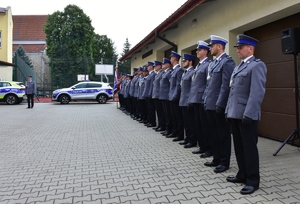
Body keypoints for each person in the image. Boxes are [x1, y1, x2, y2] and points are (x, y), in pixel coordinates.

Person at [225, 34, 267, 195]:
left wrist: (249, 114)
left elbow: (257, 93)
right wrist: (228, 110)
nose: (238, 51)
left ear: (250, 48)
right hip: (235, 114)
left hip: (246, 116)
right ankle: (242, 174)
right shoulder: (237, 67)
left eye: (240, 47)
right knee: (239, 148)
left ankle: (252, 181)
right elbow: (232, 92)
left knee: (249, 149)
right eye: (237, 48)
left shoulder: (257, 66)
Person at [203, 35, 235, 173]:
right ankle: (216, 158)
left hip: (218, 105)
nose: (210, 48)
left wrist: (220, 104)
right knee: (213, 133)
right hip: (210, 104)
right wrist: (205, 100)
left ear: (219, 46)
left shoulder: (227, 62)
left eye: (212, 45)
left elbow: (226, 86)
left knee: (223, 134)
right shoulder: (214, 63)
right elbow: (209, 85)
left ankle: (224, 162)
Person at [187, 41, 212, 157]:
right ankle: (202, 147)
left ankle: (208, 149)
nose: (197, 51)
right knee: (198, 124)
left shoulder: (208, 64)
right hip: (195, 99)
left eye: (199, 50)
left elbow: (208, 83)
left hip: (201, 99)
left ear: (205, 52)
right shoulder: (199, 65)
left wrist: (204, 98)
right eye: (197, 50)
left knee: (205, 126)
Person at [179, 54, 196, 148]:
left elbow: (193, 88)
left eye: (185, 61)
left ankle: (192, 140)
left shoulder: (192, 72)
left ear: (190, 62)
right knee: (186, 121)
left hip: (188, 100)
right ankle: (187, 138)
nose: (183, 62)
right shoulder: (185, 73)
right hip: (183, 100)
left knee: (190, 122)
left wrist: (190, 100)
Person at [169, 51, 184, 142]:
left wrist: (175, 96)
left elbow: (178, 85)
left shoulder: (179, 70)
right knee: (173, 116)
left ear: (175, 59)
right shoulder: (174, 70)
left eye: (171, 57)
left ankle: (180, 134)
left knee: (178, 117)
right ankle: (175, 132)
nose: (170, 59)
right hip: (171, 97)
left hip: (175, 97)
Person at [159, 58, 173, 136]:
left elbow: (171, 85)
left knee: (168, 114)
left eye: (164, 64)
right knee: (165, 113)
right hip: (163, 96)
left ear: (168, 65)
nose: (162, 65)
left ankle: (169, 129)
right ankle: (167, 128)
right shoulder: (164, 73)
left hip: (167, 96)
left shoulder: (169, 73)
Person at [152, 61, 166, 132]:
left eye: (156, 66)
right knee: (158, 112)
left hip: (159, 95)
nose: (154, 67)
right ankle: (160, 125)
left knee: (161, 112)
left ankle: (162, 125)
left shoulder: (162, 73)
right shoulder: (157, 74)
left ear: (160, 66)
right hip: (156, 95)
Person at [143, 62, 157, 127]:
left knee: (151, 109)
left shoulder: (153, 74)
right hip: (148, 94)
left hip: (150, 94)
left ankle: (152, 122)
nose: (147, 67)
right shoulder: (149, 75)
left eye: (148, 66)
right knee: (149, 109)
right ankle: (149, 121)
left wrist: (150, 94)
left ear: (151, 67)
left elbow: (152, 85)